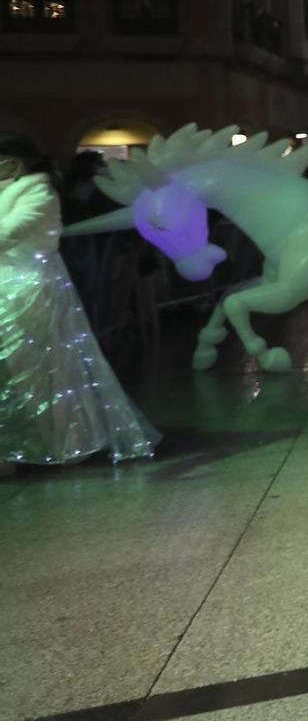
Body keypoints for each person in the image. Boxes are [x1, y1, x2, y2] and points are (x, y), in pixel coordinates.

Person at [0, 132, 159, 469]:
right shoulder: (11, 191)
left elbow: (10, 232)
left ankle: (58, 442)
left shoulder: (37, 192)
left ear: (15, 162)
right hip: (10, 287)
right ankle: (23, 445)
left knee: (42, 370)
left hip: (30, 289)